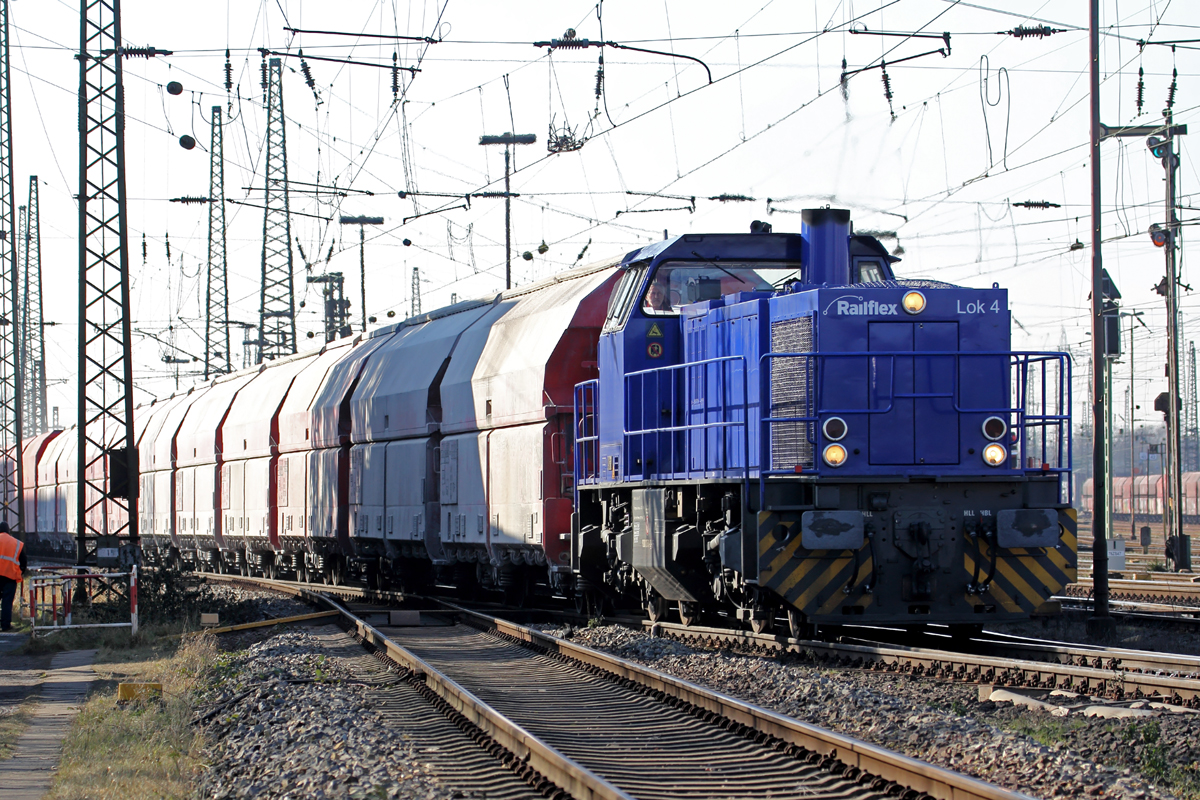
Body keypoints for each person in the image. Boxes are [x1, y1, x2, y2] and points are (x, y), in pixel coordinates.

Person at [0, 520, 26, 632]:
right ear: (9, 531)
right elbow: (24, 562)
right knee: (7, 602)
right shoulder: (16, 543)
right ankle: (5, 626)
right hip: (10, 577)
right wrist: (20, 572)